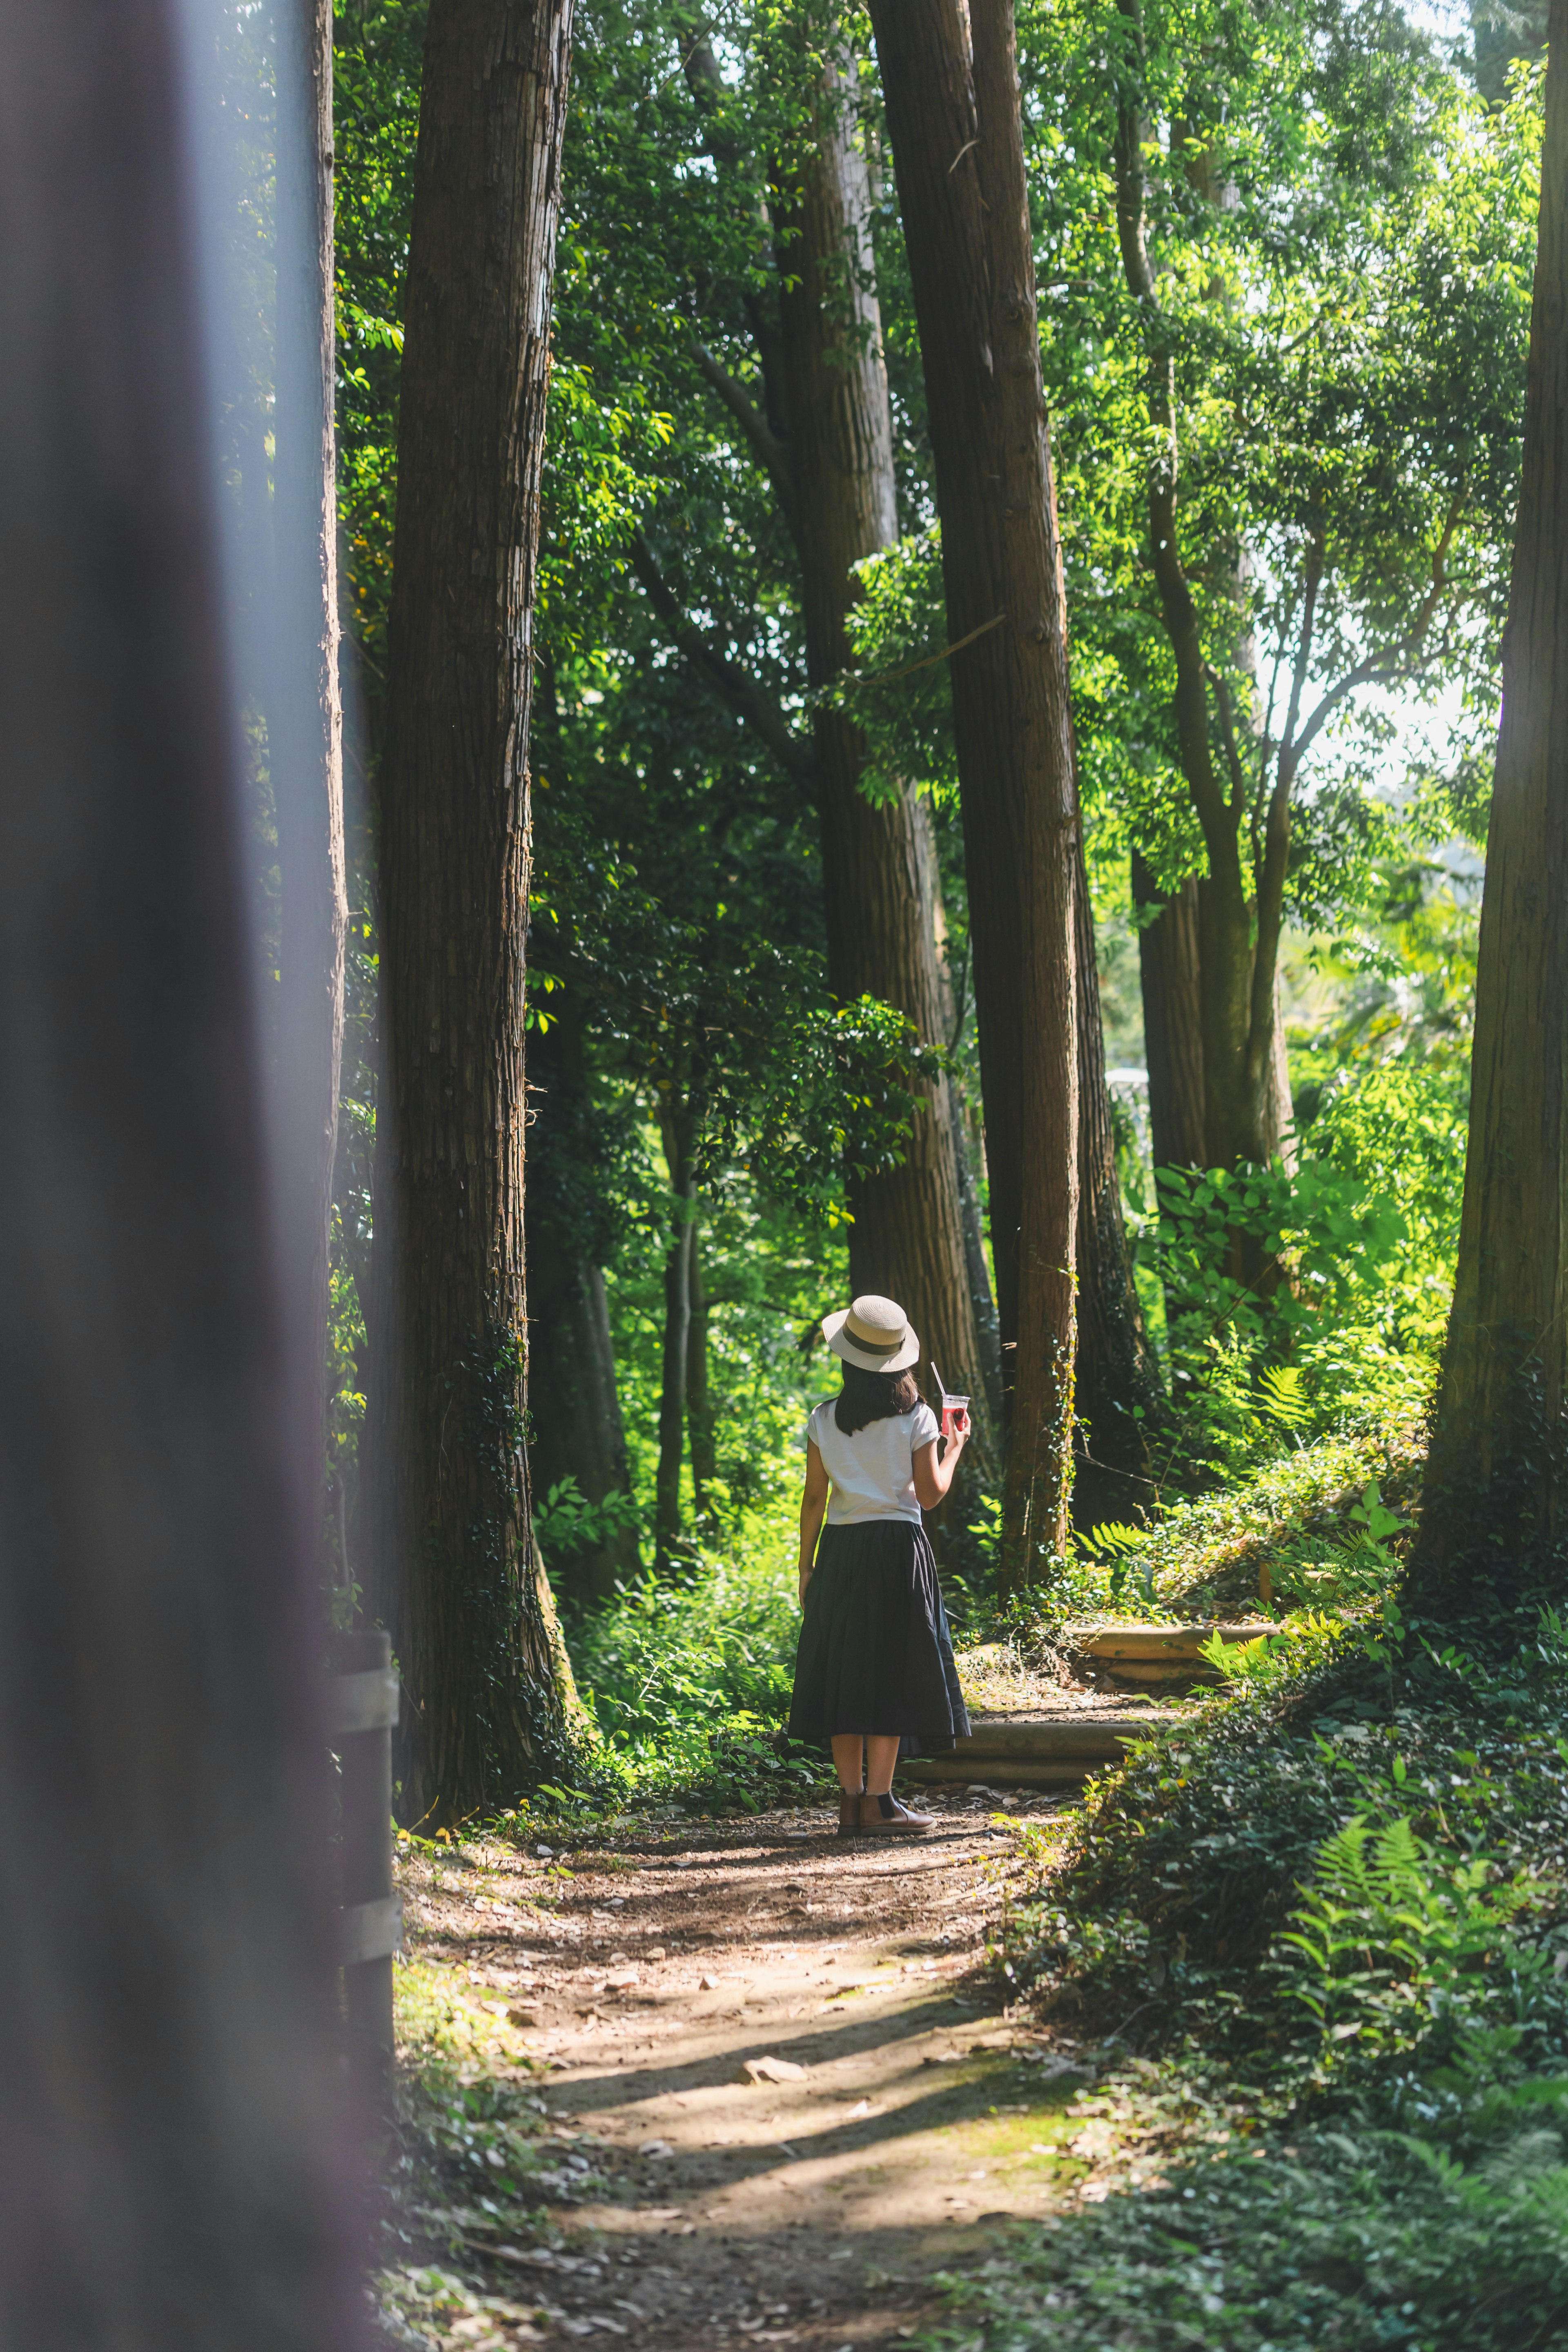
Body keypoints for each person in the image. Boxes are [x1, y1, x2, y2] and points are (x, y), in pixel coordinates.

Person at [788, 1294, 971, 1836]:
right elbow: (932, 1495)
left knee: (846, 1676)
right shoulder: (917, 1417)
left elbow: (814, 1500)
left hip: (842, 1553)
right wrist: (954, 1445)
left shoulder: (823, 1419)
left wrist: (805, 1567)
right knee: (890, 1673)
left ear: (848, 1358)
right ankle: (881, 1803)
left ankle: (850, 1806)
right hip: (897, 1552)